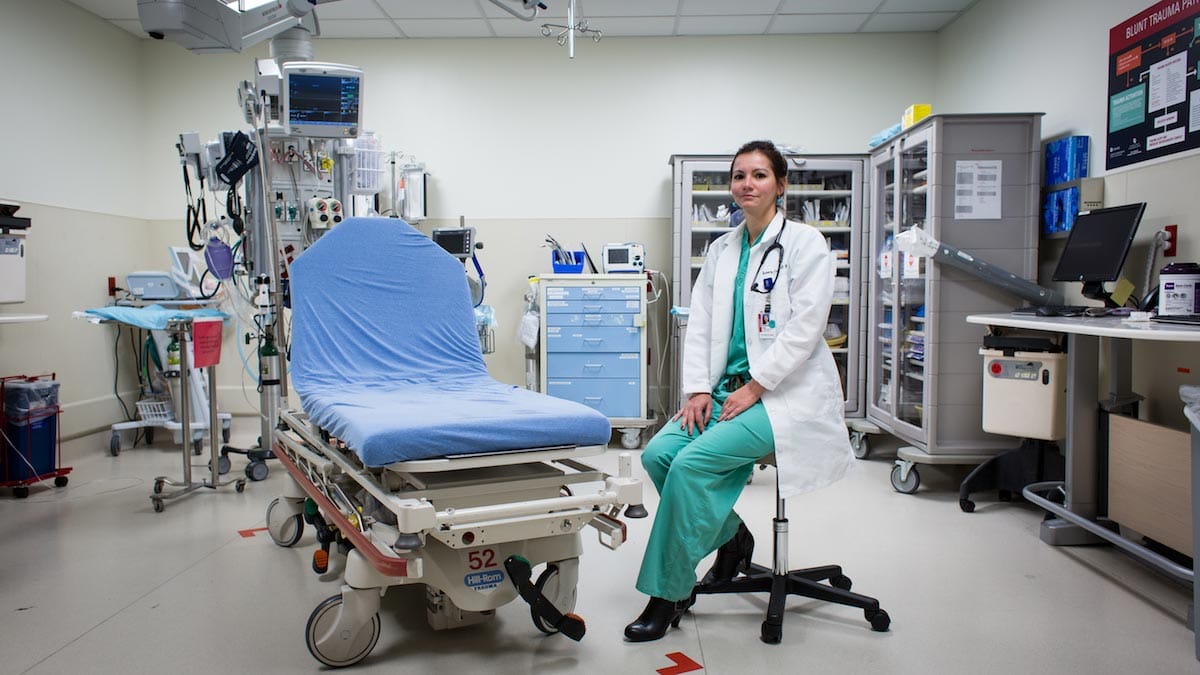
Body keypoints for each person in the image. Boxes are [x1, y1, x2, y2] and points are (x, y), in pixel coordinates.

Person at [624, 140, 854, 642]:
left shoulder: (806, 245)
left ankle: (668, 592)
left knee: (691, 465)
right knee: (660, 454)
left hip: (782, 397)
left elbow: (806, 328)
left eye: (759, 175)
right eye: (739, 176)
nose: (747, 184)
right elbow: (702, 324)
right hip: (727, 391)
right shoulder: (723, 248)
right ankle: (732, 538)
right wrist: (698, 389)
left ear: (780, 184)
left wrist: (755, 386)